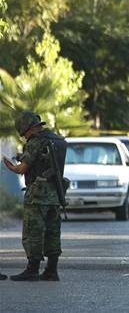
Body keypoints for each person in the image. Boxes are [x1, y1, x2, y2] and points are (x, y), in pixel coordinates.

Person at [3, 111, 67, 281]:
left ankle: (32, 270)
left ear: (28, 129)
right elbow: (43, 161)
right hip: (55, 194)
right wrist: (23, 157)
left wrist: (10, 166)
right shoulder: (57, 140)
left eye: (24, 134)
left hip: (37, 195)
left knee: (33, 231)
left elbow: (21, 169)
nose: (25, 138)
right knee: (53, 231)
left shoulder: (35, 141)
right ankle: (51, 271)